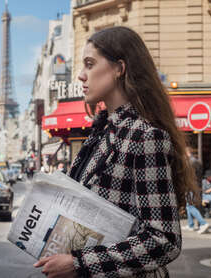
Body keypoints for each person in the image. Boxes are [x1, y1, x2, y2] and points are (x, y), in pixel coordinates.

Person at [34, 26, 198, 278]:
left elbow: (163, 240)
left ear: (119, 68)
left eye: (90, 64)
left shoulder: (144, 136)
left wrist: (79, 263)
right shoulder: (103, 132)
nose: (80, 75)